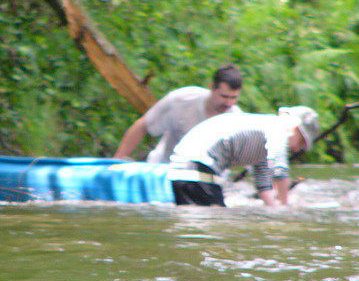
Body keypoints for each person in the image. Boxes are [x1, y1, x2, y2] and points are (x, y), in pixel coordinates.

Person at [167, 106, 320, 207]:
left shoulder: (264, 139)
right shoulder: (278, 128)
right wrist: (285, 210)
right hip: (198, 167)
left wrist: (274, 209)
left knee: (197, 227)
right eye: (301, 142)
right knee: (214, 225)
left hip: (179, 171)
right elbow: (280, 172)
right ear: (295, 128)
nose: (297, 149)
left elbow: (263, 186)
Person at [113, 64, 243, 163]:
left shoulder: (237, 121)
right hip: (164, 168)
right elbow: (143, 125)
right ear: (212, 87)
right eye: (224, 96)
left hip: (206, 181)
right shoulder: (182, 100)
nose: (228, 103)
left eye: (233, 98)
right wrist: (117, 160)